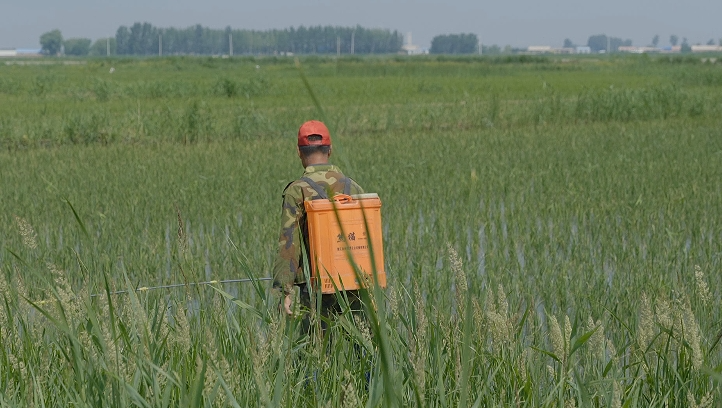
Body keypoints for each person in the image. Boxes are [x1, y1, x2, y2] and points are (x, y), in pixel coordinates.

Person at [272, 120, 365, 335]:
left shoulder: (298, 191)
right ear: (330, 150)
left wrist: (283, 291)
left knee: (318, 357)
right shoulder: (354, 187)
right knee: (361, 356)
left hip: (317, 289)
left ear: (299, 152)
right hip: (355, 286)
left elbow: (289, 245)